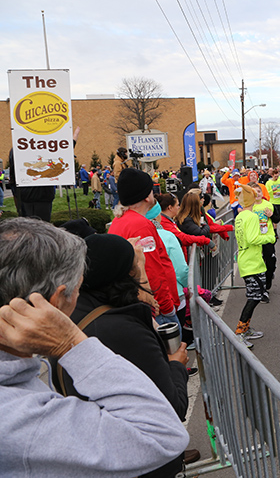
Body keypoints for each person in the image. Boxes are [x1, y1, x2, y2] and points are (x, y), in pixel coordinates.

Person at [0, 218, 189, 477]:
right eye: (79, 285)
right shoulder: (21, 420)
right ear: (54, 303)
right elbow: (161, 435)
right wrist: (70, 343)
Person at [58, 233, 194, 477]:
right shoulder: (123, 330)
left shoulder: (73, 313)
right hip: (141, 461)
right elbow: (173, 408)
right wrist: (176, 365)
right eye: (135, 264)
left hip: (103, 454)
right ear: (126, 273)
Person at [109, 168, 180, 330]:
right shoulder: (140, 225)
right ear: (146, 197)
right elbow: (152, 270)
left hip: (137, 304)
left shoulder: (119, 221)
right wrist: (167, 307)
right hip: (155, 309)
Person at [233, 184, 274, 348]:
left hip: (248, 261)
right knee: (255, 297)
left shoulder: (240, 216)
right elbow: (252, 239)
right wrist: (270, 238)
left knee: (255, 295)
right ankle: (239, 332)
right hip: (252, 263)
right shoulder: (250, 217)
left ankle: (245, 329)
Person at [251, 182, 278, 304]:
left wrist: (271, 215)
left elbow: (277, 219)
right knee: (258, 265)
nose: (257, 193)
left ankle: (268, 279)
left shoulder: (269, 205)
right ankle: (263, 290)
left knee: (270, 264)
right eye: (254, 191)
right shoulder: (249, 207)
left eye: (259, 191)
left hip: (267, 238)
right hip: (254, 240)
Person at [266, 169, 280, 237]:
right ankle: (275, 231)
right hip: (272, 202)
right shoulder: (268, 183)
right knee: (275, 217)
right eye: (275, 176)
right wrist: (272, 190)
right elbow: (266, 193)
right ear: (272, 176)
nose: (276, 178)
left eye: (277, 176)